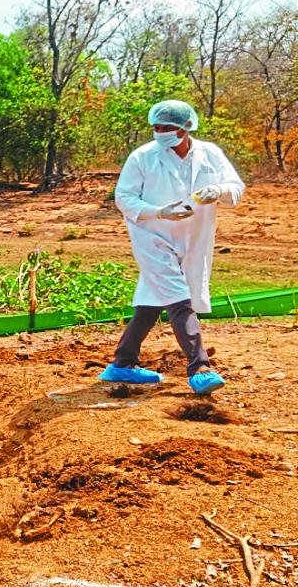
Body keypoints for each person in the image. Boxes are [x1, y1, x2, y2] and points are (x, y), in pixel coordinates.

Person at [100, 100, 245, 395]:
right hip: (152, 237)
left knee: (152, 301)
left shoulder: (210, 154)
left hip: (193, 237)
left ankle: (123, 363)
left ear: (185, 128)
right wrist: (158, 212)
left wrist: (219, 190)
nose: (160, 133)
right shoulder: (142, 158)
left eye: (167, 128)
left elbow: (235, 186)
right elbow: (124, 198)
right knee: (180, 298)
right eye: (156, 127)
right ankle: (199, 367)